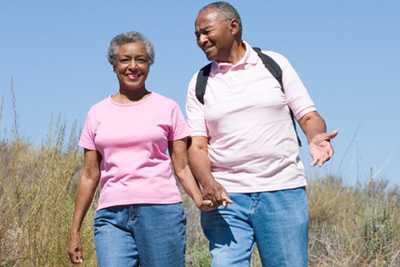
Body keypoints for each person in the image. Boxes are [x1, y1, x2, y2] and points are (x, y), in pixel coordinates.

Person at [186, 2, 338, 267]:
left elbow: (308, 116)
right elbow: (197, 146)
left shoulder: (273, 64)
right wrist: (207, 183)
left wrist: (315, 136)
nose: (201, 40)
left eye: (206, 31)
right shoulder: (200, 82)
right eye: (197, 35)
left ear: (233, 27)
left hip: (282, 193)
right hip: (226, 199)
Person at [68, 31, 210, 267]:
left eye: (141, 60)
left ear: (149, 65)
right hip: (111, 216)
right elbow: (90, 175)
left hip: (161, 212)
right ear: (114, 65)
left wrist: (198, 198)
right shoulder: (96, 113)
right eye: (125, 60)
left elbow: (182, 166)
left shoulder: (168, 108)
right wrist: (74, 231)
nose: (133, 66)